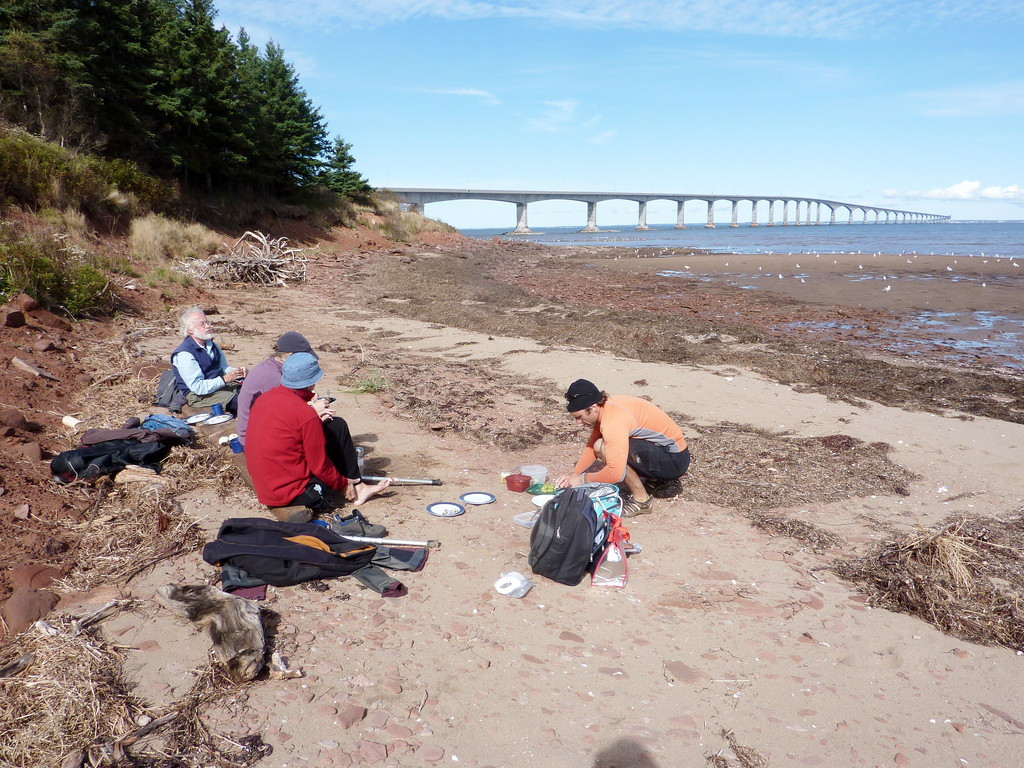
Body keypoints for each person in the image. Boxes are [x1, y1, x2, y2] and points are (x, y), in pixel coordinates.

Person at [245, 352, 390, 513]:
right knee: (322, 484)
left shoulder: (266, 398)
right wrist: (342, 484)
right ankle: (353, 489)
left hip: (265, 482)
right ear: (312, 381)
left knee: (336, 426)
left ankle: (358, 486)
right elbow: (319, 466)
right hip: (290, 494)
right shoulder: (305, 415)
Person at [555, 379, 690, 517]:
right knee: (600, 445)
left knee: (605, 448)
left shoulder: (613, 421)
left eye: (579, 417)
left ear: (594, 407)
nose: (577, 422)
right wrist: (574, 474)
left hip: (674, 461)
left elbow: (615, 473)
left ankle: (641, 500)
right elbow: (591, 446)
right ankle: (656, 480)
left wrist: (581, 479)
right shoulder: (607, 407)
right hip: (670, 453)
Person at [236, 331, 315, 448]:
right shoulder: (273, 376)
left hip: (255, 431)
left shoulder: (271, 366)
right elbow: (289, 413)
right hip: (253, 439)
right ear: (290, 356)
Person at [171, 306, 247, 414]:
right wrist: (225, 379)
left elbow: (222, 367)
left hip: (218, 386)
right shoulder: (184, 354)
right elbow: (198, 387)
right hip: (198, 395)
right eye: (202, 324)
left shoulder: (212, 345)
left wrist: (237, 373)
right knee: (245, 402)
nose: (208, 326)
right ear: (190, 330)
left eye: (207, 322)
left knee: (253, 391)